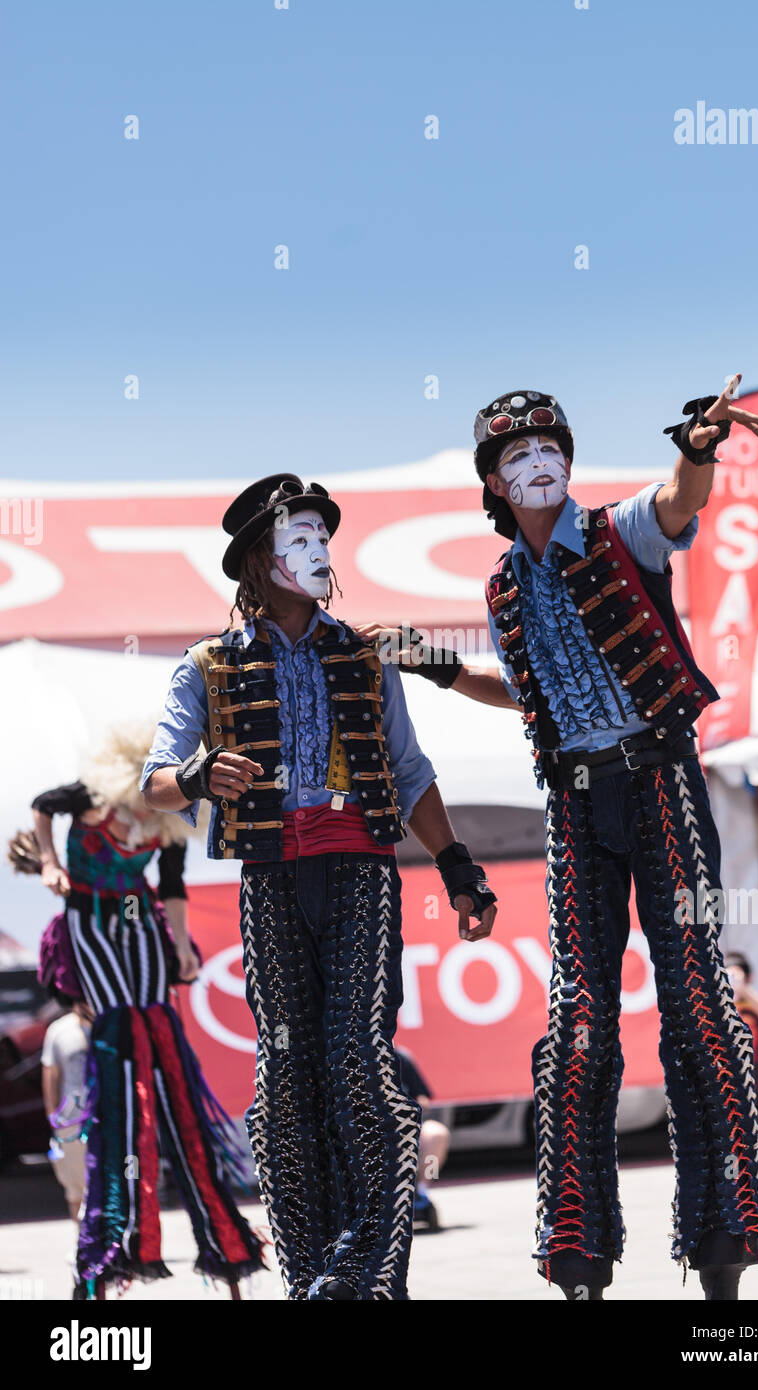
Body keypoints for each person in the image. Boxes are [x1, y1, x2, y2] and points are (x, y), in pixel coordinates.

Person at [375, 380, 758, 1301]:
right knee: (581, 1028)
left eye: (550, 446)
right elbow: (527, 689)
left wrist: (699, 449)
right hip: (574, 803)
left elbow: (680, 501)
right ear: (495, 483)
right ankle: (579, 1261)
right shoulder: (505, 584)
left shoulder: (619, 530)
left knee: (697, 1006)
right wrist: (430, 664)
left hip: (664, 785)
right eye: (517, 456)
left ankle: (722, 1257)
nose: (539, 462)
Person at [141, 474, 497, 1301]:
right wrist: (198, 775)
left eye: (321, 538)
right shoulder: (206, 666)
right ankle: (310, 1271)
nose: (317, 551)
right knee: (287, 1071)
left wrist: (460, 871)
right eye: (295, 540)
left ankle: (368, 1264)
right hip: (269, 878)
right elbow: (155, 780)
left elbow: (410, 774)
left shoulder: (369, 653)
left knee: (357, 1059)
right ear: (257, 566)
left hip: (358, 871)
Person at [11, 723, 265, 1299]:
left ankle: (224, 1243)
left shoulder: (173, 817)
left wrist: (179, 944)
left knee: (165, 1048)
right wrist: (51, 863)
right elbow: (42, 806)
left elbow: (172, 887)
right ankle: (113, 1248)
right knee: (123, 1054)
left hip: (140, 923)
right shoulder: (93, 796)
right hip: (91, 919)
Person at [725, 952, 758, 1182]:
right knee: (731, 1165)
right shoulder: (715, 1007)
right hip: (725, 1095)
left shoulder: (754, 1005)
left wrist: (744, 990)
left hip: (757, 1092)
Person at [41, 1000, 93, 1228]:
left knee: (127, 1174)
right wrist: (53, 1116)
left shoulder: (110, 1024)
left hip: (111, 1119)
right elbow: (51, 1073)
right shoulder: (59, 1030)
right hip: (72, 1120)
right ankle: (81, 1241)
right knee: (76, 1185)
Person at [396, 1047, 450, 1231]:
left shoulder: (400, 1056)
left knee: (437, 1134)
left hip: (408, 1124)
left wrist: (410, 1108)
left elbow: (423, 1096)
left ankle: (423, 1190)